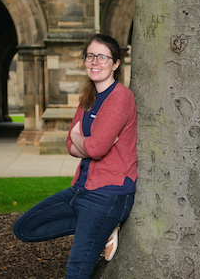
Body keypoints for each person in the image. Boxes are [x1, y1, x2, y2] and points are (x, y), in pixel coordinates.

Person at [13, 34, 137, 279]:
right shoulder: (88, 98)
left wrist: (85, 142)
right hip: (80, 189)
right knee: (25, 228)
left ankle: (102, 226)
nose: (95, 61)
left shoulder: (121, 97)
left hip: (108, 195)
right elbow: (71, 144)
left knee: (76, 272)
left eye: (103, 57)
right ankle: (104, 229)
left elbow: (95, 148)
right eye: (90, 56)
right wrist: (86, 143)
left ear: (115, 64)